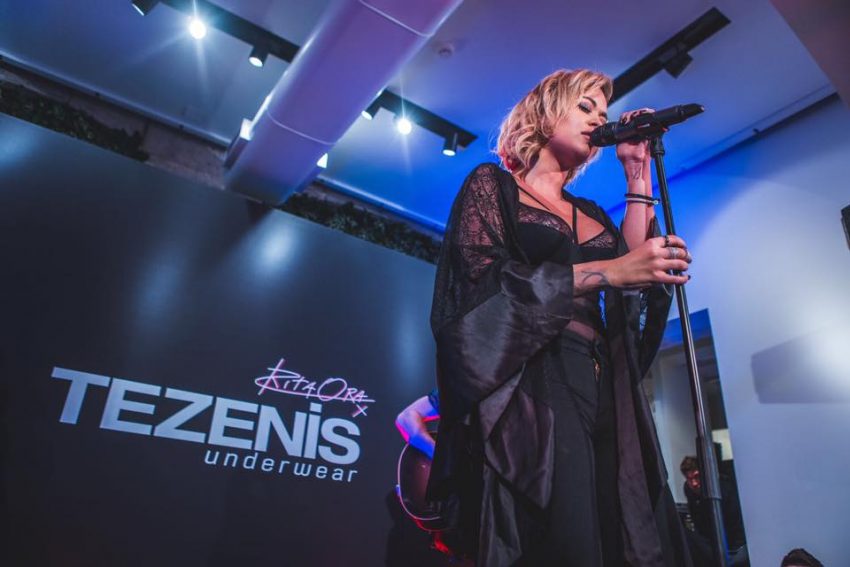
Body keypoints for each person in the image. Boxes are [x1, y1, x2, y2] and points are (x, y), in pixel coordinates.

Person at [426, 68, 694, 566]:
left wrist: (636, 173)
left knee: (614, 521)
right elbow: (481, 283)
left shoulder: (590, 210)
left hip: (602, 377)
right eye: (584, 106)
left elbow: (630, 279)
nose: (597, 119)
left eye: (603, 113)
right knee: (568, 533)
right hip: (537, 377)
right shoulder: (494, 186)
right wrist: (608, 271)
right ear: (545, 112)